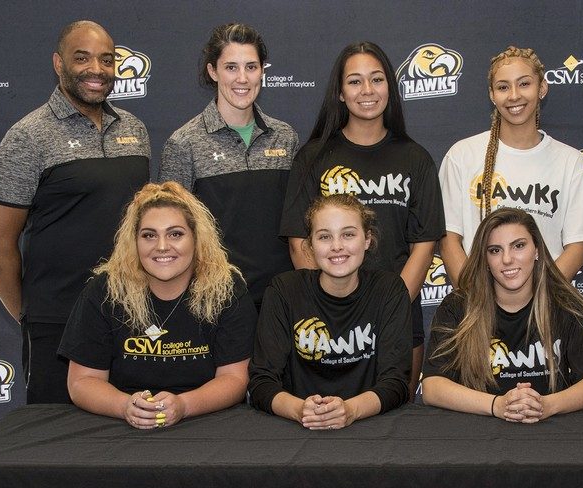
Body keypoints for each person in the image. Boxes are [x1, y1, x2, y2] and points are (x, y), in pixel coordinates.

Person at [0, 20, 150, 404]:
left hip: (132, 314)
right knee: (55, 442)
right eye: (83, 58)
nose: (97, 69)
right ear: (59, 63)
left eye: (107, 60)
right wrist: (33, 316)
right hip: (58, 322)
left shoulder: (135, 129)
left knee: (132, 435)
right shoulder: (27, 136)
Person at [279, 42, 443, 398]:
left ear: (390, 87)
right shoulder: (312, 157)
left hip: (398, 322)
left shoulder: (416, 159)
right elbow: (298, 243)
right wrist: (334, 308)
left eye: (377, 79)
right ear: (340, 92)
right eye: (354, 82)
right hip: (325, 321)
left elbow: (424, 246)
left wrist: (391, 309)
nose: (367, 91)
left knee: (393, 426)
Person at [59, 182, 255, 429]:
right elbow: (82, 381)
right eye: (149, 235)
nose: (162, 246)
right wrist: (125, 406)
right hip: (120, 426)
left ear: (196, 239)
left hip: (205, 422)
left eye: (175, 234)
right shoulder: (105, 289)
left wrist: (183, 405)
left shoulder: (226, 287)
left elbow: (234, 379)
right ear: (135, 241)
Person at [158, 23, 298, 310]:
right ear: (213, 71)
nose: (243, 78)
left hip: (281, 300)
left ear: (262, 70)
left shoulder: (286, 136)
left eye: (251, 66)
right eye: (231, 67)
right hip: (216, 301)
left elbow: (297, 222)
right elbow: (171, 231)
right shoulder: (184, 143)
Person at [422, 207, 583, 422]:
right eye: (495, 250)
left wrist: (546, 405)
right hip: (478, 434)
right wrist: (497, 405)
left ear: (537, 249)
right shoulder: (458, 306)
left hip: (552, 434)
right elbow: (433, 386)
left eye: (518, 246)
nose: (507, 259)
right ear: (484, 259)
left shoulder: (565, 303)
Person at [439, 45, 583, 286]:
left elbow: (576, 248)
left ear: (542, 88)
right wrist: (476, 298)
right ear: (492, 95)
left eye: (524, 84)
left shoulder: (570, 161)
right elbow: (449, 239)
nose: (514, 95)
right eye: (503, 87)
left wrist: (536, 299)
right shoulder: (462, 156)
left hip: (544, 307)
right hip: (479, 308)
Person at [250, 194, 411, 429]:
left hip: (370, 429)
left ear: (367, 239)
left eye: (348, 234)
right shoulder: (285, 290)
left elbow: (396, 383)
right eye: (325, 236)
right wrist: (300, 410)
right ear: (310, 245)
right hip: (297, 431)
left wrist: (351, 410)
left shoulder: (389, 290)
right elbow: (261, 382)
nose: (337, 246)